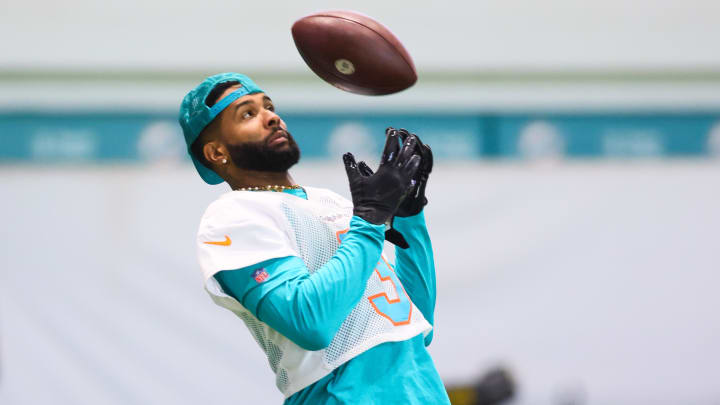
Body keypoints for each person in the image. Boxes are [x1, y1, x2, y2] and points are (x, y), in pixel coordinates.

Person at [178, 72, 450, 404]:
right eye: (248, 114)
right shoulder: (232, 216)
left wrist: (408, 216)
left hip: (424, 391)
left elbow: (416, 324)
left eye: (269, 106)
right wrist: (370, 219)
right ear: (217, 153)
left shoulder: (331, 202)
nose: (272, 117)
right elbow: (310, 323)